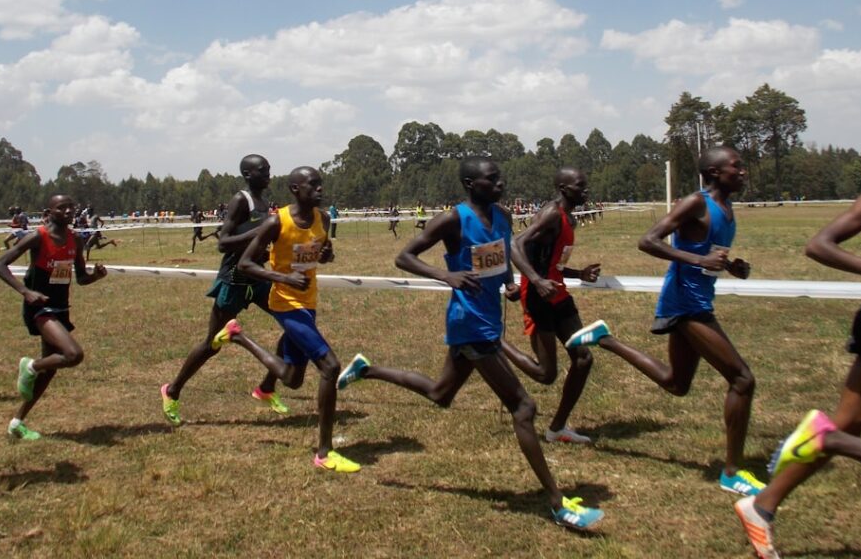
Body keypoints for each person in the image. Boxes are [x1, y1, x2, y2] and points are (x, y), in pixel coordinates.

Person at [337, 156, 604, 529]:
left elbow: (499, 257)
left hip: (489, 317)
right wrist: (446, 275)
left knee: (439, 393)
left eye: (500, 178)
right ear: (470, 184)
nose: (500, 184)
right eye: (492, 180)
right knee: (523, 408)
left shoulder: (504, 217)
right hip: (469, 323)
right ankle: (558, 504)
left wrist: (510, 283)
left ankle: (368, 368)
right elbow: (404, 257)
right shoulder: (452, 219)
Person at [565, 146, 761, 496]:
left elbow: (707, 253)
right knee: (742, 379)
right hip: (685, 304)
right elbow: (648, 241)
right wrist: (697, 262)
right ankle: (732, 472)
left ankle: (605, 338)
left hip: (699, 300)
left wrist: (732, 267)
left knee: (676, 384)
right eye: (737, 166)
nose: (743, 171)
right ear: (715, 172)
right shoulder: (696, 203)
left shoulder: (727, 209)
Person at [735, 183, 861, 559]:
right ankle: (838, 443)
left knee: (849, 425)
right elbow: (819, 245)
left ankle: (761, 506)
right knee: (845, 429)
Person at [211, 166, 359, 473]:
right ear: (294, 189)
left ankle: (236, 335)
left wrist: (326, 254)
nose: (319, 189)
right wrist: (284, 278)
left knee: (292, 379)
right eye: (312, 185)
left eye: (321, 184)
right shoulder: (277, 221)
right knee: (330, 366)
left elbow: (320, 255)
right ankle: (324, 452)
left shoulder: (324, 219)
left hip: (309, 301)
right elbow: (246, 263)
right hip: (286, 303)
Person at [161, 155, 285, 424]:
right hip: (235, 276)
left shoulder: (265, 204)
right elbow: (224, 242)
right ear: (247, 174)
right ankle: (171, 391)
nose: (269, 175)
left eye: (269, 170)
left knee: (293, 327)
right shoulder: (242, 200)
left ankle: (266, 387)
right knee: (212, 344)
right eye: (263, 171)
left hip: (258, 275)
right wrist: (258, 233)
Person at [0, 194, 107, 440]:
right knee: (72, 355)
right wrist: (25, 291)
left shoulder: (75, 239)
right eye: (61, 207)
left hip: (61, 308)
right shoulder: (38, 237)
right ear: (50, 211)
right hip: (40, 308)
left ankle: (16, 421)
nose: (68, 211)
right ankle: (30, 365)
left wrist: (95, 276)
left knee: (51, 369)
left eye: (71, 207)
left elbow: (81, 278)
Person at [501, 167, 601, 444]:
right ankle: (495, 343)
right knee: (547, 374)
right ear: (563, 188)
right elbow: (515, 243)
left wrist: (579, 274)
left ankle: (557, 429)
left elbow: (552, 262)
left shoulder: (570, 218)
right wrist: (534, 281)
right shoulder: (551, 214)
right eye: (581, 185)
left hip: (558, 294)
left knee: (583, 358)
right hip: (538, 296)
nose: (586, 190)